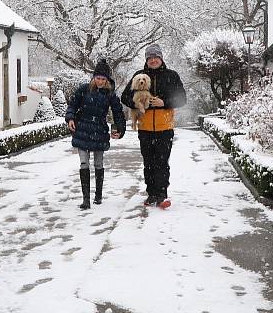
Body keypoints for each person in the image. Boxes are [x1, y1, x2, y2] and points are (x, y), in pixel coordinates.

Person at [121, 44, 186, 208]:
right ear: (147, 60)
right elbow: (124, 97)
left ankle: (162, 194)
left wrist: (164, 102)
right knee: (148, 162)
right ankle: (151, 194)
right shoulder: (138, 76)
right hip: (145, 128)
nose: (153, 60)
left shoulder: (171, 76)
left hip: (165, 127)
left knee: (162, 162)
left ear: (161, 58)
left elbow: (182, 99)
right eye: (150, 58)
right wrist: (137, 104)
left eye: (156, 57)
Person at [65, 59, 126, 210]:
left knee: (98, 163)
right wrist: (70, 118)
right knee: (84, 163)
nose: (100, 81)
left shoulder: (110, 94)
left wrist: (119, 128)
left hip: (99, 129)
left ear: (107, 80)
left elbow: (118, 112)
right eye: (97, 78)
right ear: (93, 77)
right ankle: (86, 199)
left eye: (103, 79)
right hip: (82, 129)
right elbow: (72, 105)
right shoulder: (83, 89)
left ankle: (98, 195)